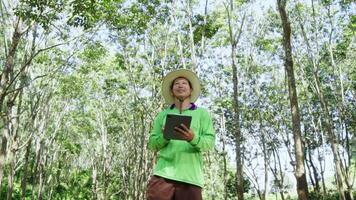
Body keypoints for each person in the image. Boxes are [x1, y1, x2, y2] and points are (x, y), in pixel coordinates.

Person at [146, 69, 216, 200]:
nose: (180, 85)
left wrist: (192, 138)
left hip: (191, 178)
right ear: (172, 91)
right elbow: (152, 144)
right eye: (176, 83)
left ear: (190, 90)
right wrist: (165, 136)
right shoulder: (162, 115)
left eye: (184, 83)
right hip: (163, 174)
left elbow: (209, 143)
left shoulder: (202, 114)